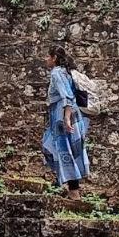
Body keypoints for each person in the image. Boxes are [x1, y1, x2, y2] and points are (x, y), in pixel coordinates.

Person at [41, 47, 89, 193]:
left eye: (47, 56)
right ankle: (65, 181)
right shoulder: (66, 71)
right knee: (65, 150)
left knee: (60, 149)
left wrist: (66, 118)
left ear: (54, 57)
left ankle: (73, 190)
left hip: (62, 116)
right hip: (71, 114)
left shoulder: (57, 73)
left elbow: (67, 96)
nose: (45, 59)